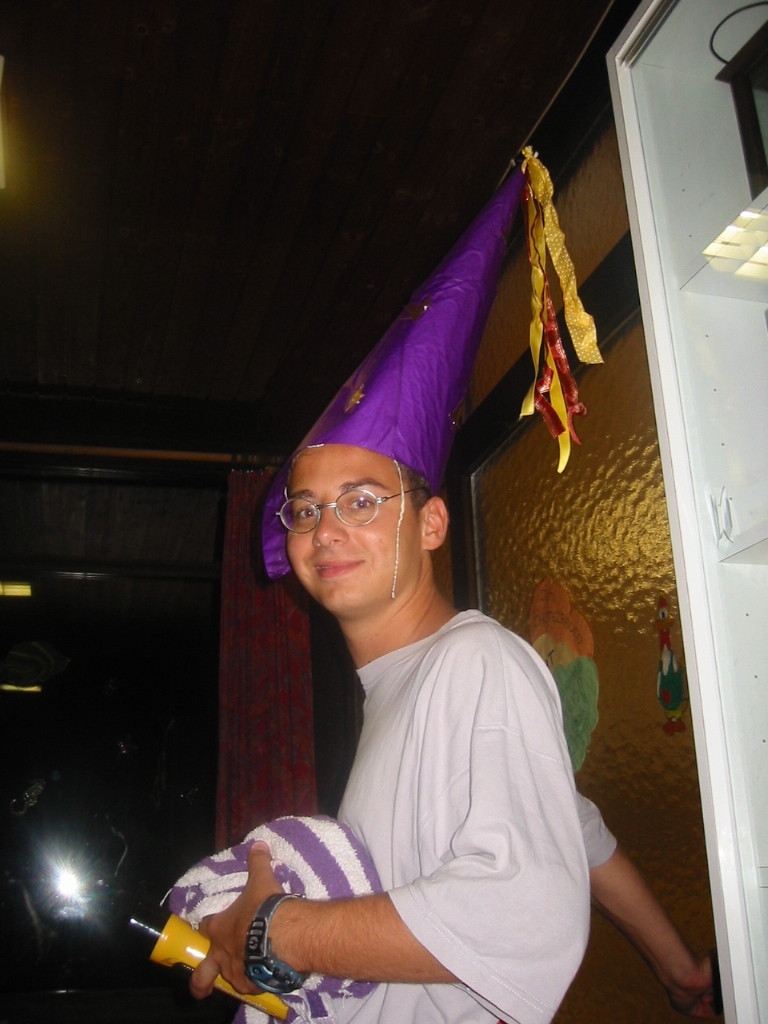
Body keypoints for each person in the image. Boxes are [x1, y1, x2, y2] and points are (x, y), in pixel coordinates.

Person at [187, 161, 719, 1021]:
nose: (325, 529)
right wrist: (679, 969)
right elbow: (568, 829)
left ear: (432, 523)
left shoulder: (473, 662)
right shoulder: (410, 684)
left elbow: (524, 910)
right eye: (307, 509)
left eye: (362, 501)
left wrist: (277, 934)